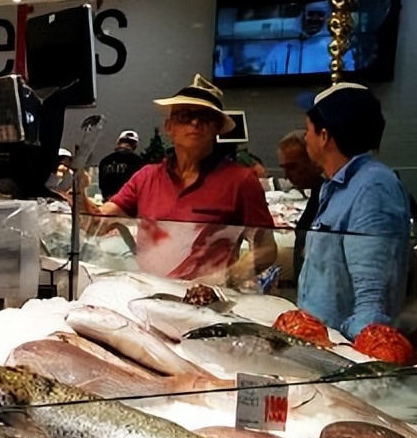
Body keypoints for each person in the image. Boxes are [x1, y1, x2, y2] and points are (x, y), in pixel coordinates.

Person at [79, 74, 276, 282]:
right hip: (150, 296)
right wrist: (76, 189)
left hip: (208, 305)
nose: (194, 122)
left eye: (205, 117)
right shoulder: (145, 178)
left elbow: (266, 248)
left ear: (218, 128)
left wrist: (226, 279)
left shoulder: (241, 181)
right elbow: (95, 226)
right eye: (184, 115)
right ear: (169, 127)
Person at [297, 82, 411, 339]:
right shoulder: (336, 184)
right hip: (319, 341)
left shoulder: (373, 188)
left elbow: (373, 299)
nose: (305, 138)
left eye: (308, 130)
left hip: (341, 351)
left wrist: (356, 360)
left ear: (325, 137)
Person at [277, 129, 325, 283]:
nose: (286, 176)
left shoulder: (329, 196)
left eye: (292, 167)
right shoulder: (318, 193)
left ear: (313, 159)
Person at [260, 0, 354, 76]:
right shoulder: (282, 50)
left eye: (319, 15)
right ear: (302, 17)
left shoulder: (337, 48)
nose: (315, 19)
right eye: (311, 14)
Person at [97, 129, 141, 199]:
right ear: (135, 146)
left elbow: (101, 185)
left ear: (118, 143)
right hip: (130, 204)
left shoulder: (105, 161)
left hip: (108, 203)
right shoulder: (139, 162)